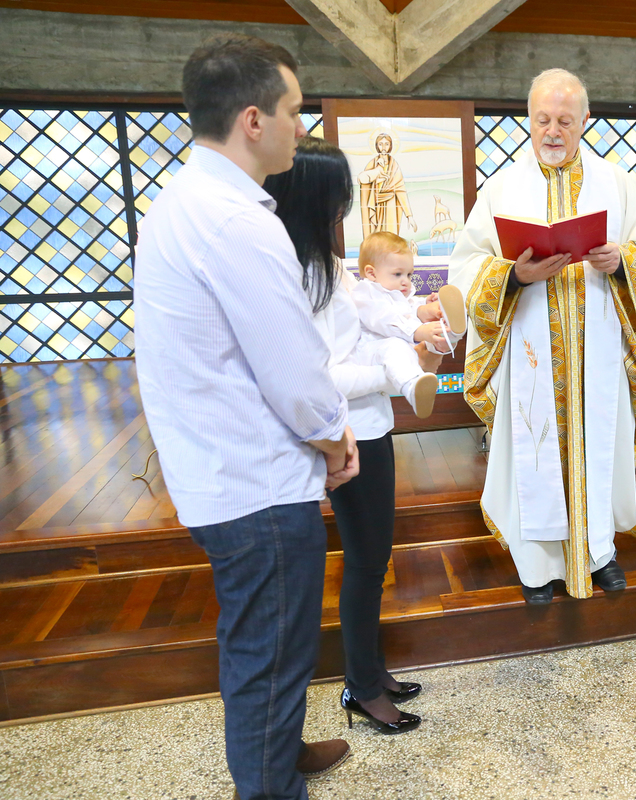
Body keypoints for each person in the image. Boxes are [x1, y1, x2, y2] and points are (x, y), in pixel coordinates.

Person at [134, 35, 357, 800]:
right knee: (269, 651)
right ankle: (269, 789)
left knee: (264, 641)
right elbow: (292, 370)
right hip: (255, 484)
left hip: (220, 468)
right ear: (254, 120)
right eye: (297, 110)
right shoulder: (237, 222)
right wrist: (334, 441)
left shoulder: (186, 198)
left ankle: (283, 750)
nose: (306, 124)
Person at [449, 68, 636, 604]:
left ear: (585, 121)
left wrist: (623, 260)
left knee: (596, 449)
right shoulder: (502, 188)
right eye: (543, 120)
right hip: (529, 350)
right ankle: (538, 569)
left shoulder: (617, 184)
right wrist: (513, 275)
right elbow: (465, 267)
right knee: (536, 452)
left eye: (565, 121)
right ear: (529, 119)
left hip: (596, 352)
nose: (552, 131)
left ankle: (599, 555)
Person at [264, 136, 426, 736]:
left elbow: (371, 326)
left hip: (372, 428)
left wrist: (410, 330)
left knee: (374, 557)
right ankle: (360, 687)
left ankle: (371, 669)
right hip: (347, 436)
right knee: (364, 561)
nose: (344, 215)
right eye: (336, 205)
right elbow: (322, 374)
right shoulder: (302, 277)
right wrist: (391, 372)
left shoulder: (329, 267)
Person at [351, 231, 468, 418]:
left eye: (408, 274)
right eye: (398, 274)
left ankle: (450, 333)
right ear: (371, 273)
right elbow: (385, 319)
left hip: (401, 347)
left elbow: (408, 310)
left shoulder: (397, 294)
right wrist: (418, 330)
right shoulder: (366, 294)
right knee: (396, 346)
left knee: (428, 330)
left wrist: (428, 308)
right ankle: (414, 389)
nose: (405, 280)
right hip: (371, 352)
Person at [359, 132, 416, 239]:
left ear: (390, 146)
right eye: (380, 144)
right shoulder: (372, 163)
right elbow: (363, 181)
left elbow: (400, 190)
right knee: (376, 237)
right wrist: (376, 173)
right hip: (375, 204)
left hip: (390, 204)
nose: (383, 147)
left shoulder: (394, 165)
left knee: (391, 237)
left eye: (386, 144)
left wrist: (409, 216)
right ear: (376, 146)